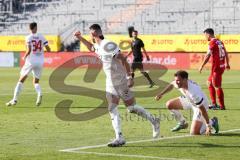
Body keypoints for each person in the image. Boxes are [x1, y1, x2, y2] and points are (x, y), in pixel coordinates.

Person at [74, 24, 160, 147]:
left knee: (131, 108)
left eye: (90, 33)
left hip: (120, 80)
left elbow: (124, 59)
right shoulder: (98, 45)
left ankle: (154, 121)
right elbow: (92, 48)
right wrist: (80, 38)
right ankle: (119, 137)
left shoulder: (108, 45)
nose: (90, 35)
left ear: (94, 34)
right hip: (110, 81)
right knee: (111, 108)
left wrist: (129, 77)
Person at [155, 70, 219, 135]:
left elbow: (202, 109)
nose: (176, 82)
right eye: (176, 80)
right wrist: (161, 94)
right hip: (189, 100)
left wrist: (208, 125)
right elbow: (172, 84)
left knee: (194, 133)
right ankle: (182, 122)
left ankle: (212, 122)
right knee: (169, 104)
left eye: (178, 80)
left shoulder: (193, 92)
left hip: (200, 106)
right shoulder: (180, 83)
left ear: (185, 80)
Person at [6, 22, 51, 106]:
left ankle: (14, 99)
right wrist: (41, 51)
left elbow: (29, 50)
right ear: (36, 28)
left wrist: (25, 56)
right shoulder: (41, 36)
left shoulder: (28, 37)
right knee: (36, 81)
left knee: (21, 80)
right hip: (40, 61)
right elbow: (48, 49)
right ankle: (39, 94)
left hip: (31, 61)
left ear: (30, 28)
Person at [199, 28, 230, 110]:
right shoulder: (219, 41)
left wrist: (201, 66)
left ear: (208, 34)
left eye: (205, 35)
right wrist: (227, 63)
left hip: (216, 68)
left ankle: (222, 106)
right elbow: (226, 52)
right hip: (221, 66)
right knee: (209, 83)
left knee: (217, 86)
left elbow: (207, 55)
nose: (205, 37)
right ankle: (214, 103)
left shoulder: (212, 43)